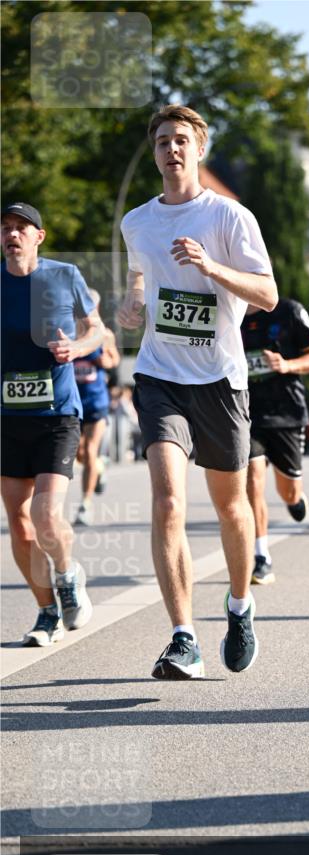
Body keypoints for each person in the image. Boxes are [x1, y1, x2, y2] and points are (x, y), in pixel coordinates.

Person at [118, 105, 278, 679]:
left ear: (199, 150)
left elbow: (267, 295)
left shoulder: (230, 218)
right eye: (162, 141)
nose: (171, 149)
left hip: (220, 381)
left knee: (231, 508)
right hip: (161, 376)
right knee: (166, 500)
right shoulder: (137, 222)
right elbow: (139, 279)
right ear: (155, 152)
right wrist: (131, 305)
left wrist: (212, 268)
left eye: (181, 140)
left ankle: (239, 607)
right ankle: (183, 636)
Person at [1, 202, 102, 645]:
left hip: (57, 412)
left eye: (21, 228)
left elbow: (97, 329)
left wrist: (77, 349)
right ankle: (46, 613)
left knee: (44, 514)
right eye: (5, 228)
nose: (12, 235)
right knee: (19, 524)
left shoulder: (64, 276)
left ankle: (67, 573)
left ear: (39, 236)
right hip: (7, 417)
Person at [241, 298, 309, 585]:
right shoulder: (230, 312)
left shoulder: (289, 311)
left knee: (288, 492)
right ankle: (261, 555)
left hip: (287, 414)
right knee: (253, 479)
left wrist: (286, 365)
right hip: (248, 414)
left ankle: (295, 498)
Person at [73, 290, 120, 526]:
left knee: (90, 451)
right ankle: (99, 467)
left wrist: (104, 361)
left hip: (96, 401)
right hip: (73, 402)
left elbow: (115, 361)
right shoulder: (69, 332)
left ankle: (85, 505)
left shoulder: (104, 335)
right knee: (78, 453)